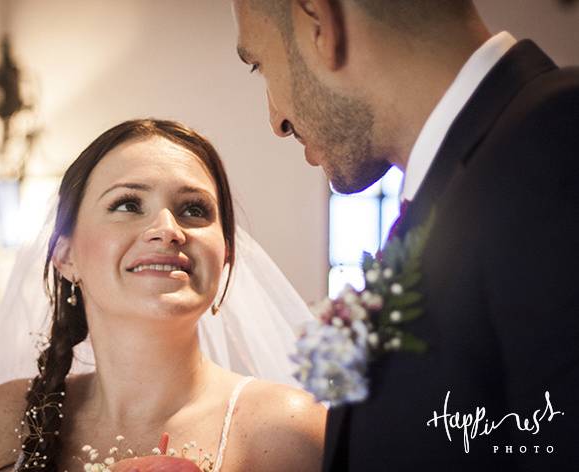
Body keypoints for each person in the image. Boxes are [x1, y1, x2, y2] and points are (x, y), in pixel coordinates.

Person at [232, 1, 579, 471]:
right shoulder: (457, 194)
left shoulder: (556, 139)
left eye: (259, 65)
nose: (277, 121)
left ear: (320, 21)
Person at [0, 119, 325, 472]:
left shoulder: (287, 428)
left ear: (226, 253)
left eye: (194, 209)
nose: (167, 229)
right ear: (65, 255)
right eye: (127, 204)